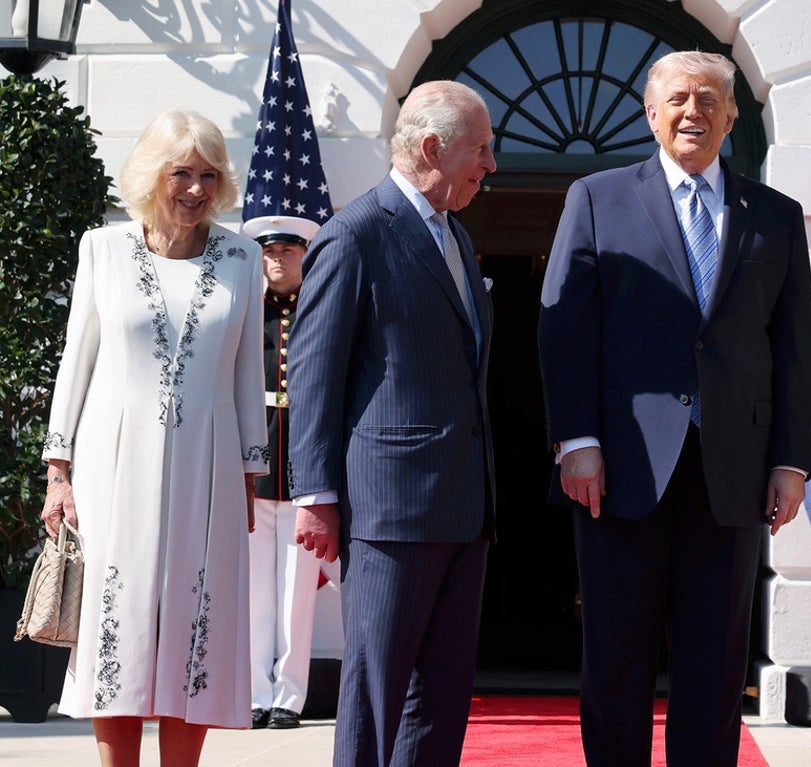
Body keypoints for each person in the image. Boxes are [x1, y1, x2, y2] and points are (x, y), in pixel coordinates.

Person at [537, 51, 811, 767]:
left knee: (716, 664)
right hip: (619, 467)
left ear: (730, 117)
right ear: (650, 111)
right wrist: (577, 440)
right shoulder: (596, 197)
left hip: (735, 471)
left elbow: (792, 347)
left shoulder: (776, 217)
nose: (694, 110)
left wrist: (791, 460)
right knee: (616, 656)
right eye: (679, 98)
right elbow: (566, 329)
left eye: (709, 99)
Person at [40, 108, 268, 766]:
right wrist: (59, 472)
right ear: (152, 175)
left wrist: (251, 473)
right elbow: (75, 364)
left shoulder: (242, 257)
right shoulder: (103, 250)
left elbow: (249, 372)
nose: (195, 189)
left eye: (208, 175)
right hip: (113, 468)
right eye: (181, 174)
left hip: (213, 467)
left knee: (194, 628)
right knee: (122, 624)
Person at [286, 80, 497, 767]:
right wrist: (315, 493)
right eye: (482, 149)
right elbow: (314, 373)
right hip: (389, 511)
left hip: (464, 507)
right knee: (377, 695)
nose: (492, 165)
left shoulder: (458, 238)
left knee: (440, 700)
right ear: (433, 147)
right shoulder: (356, 234)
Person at [239, 214, 323, 730]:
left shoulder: (318, 309)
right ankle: (251, 692)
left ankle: (288, 698)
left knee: (297, 595)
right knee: (253, 591)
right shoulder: (246, 311)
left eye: (287, 252)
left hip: (302, 467)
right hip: (254, 464)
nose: (277, 260)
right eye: (269, 252)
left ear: (303, 256)